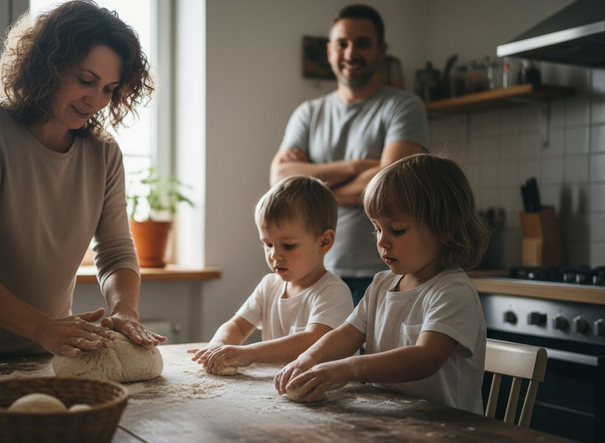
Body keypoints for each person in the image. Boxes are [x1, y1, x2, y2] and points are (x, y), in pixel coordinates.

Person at [0, 0, 165, 361]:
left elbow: (115, 252)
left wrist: (125, 311)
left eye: (109, 89)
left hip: (47, 346)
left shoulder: (104, 153)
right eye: (85, 80)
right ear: (48, 66)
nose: (95, 100)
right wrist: (44, 326)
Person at [274, 154, 489, 414]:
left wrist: (348, 369)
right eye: (377, 228)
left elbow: (426, 358)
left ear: (445, 228)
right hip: (389, 418)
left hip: (449, 431)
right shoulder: (381, 284)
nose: (382, 241)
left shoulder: (452, 291)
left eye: (397, 230)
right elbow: (346, 335)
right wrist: (309, 358)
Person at [270, 4, 428, 306]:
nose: (351, 52)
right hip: (316, 271)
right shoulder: (308, 113)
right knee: (318, 355)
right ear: (330, 51)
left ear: (382, 51)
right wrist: (360, 166)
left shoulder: (404, 106)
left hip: (385, 269)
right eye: (342, 43)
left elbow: (392, 184)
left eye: (363, 43)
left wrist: (312, 182)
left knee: (373, 355)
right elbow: (280, 178)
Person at [189, 176, 354, 375]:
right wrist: (217, 346)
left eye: (288, 245)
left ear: (324, 242)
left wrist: (248, 353)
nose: (274, 254)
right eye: (268, 244)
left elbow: (312, 340)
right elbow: (238, 326)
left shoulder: (332, 292)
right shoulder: (269, 285)